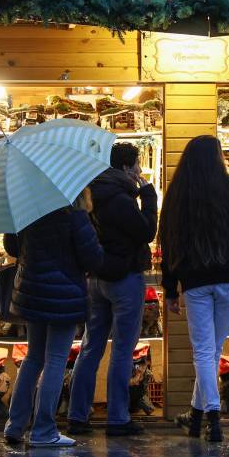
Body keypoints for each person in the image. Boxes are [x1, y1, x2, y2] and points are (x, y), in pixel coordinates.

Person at [159, 135, 229, 442]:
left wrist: (170, 288)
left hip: (195, 280)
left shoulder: (179, 194)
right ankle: (202, 417)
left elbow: (168, 242)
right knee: (212, 350)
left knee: (205, 351)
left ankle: (206, 417)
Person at [3, 188, 115, 448]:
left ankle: (15, 425)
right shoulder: (74, 214)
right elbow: (93, 258)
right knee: (55, 359)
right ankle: (43, 430)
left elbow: (11, 247)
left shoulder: (26, 209)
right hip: (64, 295)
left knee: (33, 358)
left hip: (32, 292)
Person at [67, 142, 159, 437]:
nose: (139, 170)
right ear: (126, 167)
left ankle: (77, 415)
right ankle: (118, 417)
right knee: (122, 349)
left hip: (96, 278)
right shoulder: (121, 198)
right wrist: (149, 195)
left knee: (90, 346)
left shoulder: (90, 193)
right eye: (137, 165)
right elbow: (146, 231)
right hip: (124, 277)